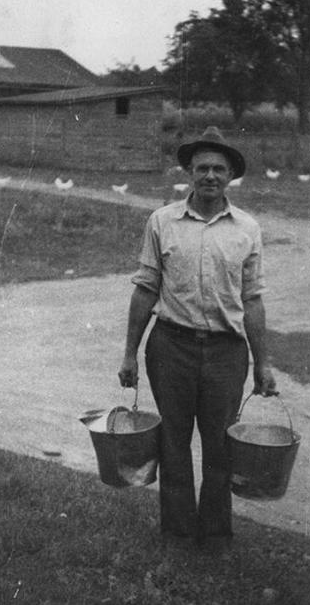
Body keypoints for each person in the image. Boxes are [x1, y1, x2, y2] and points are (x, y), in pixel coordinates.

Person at [118, 126, 277, 552]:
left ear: (231, 177)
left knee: (221, 445)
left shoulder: (247, 228)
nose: (210, 176)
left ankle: (217, 536)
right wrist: (129, 354)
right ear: (189, 172)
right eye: (202, 168)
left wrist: (262, 364)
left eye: (219, 169)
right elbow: (145, 288)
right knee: (173, 442)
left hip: (227, 351)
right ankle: (177, 534)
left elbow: (253, 300)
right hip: (171, 347)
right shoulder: (162, 221)